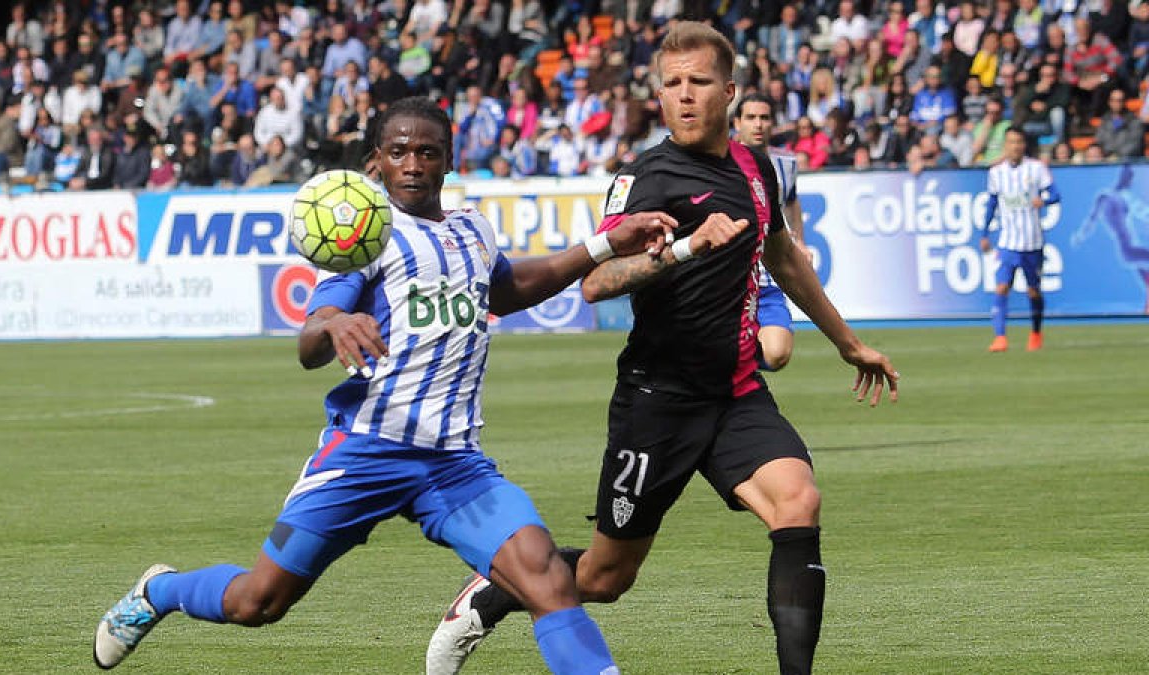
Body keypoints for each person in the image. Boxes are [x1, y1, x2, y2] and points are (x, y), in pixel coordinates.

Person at [91, 95, 697, 674]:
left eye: (428, 152)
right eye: (400, 152)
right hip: (364, 452)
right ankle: (160, 590)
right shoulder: (365, 237)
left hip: (454, 464)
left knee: (548, 578)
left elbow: (508, 290)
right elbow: (309, 341)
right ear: (375, 163)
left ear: (449, 158)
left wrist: (600, 245)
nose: (414, 164)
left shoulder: (472, 230)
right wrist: (335, 324)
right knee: (259, 602)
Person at [426, 22, 900, 675]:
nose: (683, 95)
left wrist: (850, 344)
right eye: (671, 83)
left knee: (799, 500)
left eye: (698, 82)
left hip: (736, 391)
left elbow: (783, 257)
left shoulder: (756, 168)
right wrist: (682, 248)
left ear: (729, 90)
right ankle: (500, 588)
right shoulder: (646, 177)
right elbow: (597, 282)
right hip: (657, 401)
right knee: (605, 576)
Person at [733, 94, 813, 372]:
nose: (758, 124)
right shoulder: (721, 162)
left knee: (777, 355)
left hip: (767, 278)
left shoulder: (786, 164)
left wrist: (799, 240)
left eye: (764, 118)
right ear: (737, 123)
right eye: (751, 118)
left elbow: (790, 200)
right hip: (729, 280)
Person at [979, 127, 1061, 352]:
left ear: (1024, 145)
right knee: (1002, 287)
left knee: (1033, 291)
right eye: (1011, 142)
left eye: (1019, 142)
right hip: (1007, 242)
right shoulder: (996, 173)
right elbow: (992, 204)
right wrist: (984, 233)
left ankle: (1035, 332)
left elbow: (1055, 194)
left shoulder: (1036, 168)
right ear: (1005, 145)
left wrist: (1043, 200)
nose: (1015, 146)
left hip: (1032, 242)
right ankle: (1000, 338)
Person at [1071, 164, 1149, 313]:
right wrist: (1081, 235)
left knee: (1146, 276)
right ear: (1124, 177)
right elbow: (1091, 218)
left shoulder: (1125, 197)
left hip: (1132, 244)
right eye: (1129, 178)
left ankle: (1147, 307)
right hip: (1127, 247)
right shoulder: (1106, 196)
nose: (1130, 182)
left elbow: (1143, 213)